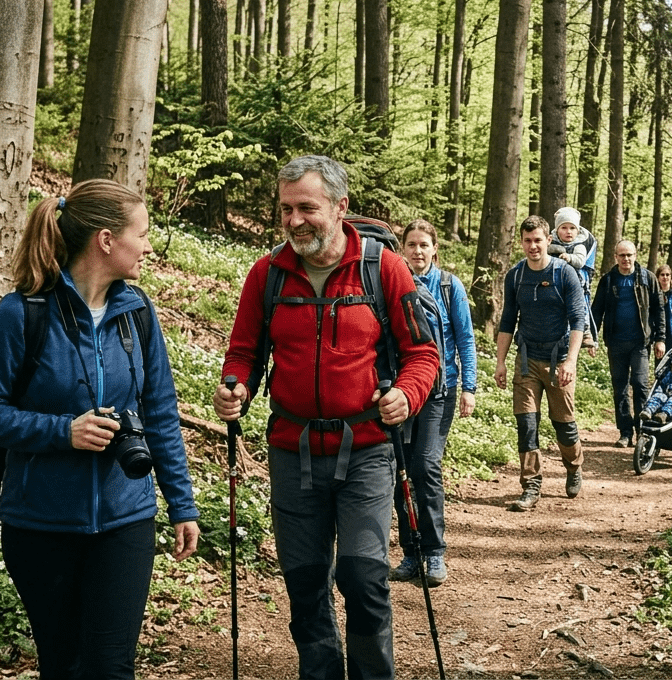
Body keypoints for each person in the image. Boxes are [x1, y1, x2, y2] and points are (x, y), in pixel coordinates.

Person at [0, 180, 201, 680]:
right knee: (64, 665)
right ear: (107, 240)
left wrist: (182, 505)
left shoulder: (138, 313)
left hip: (125, 520)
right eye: (143, 233)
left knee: (111, 667)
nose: (149, 245)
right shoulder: (20, 314)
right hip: (39, 525)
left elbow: (159, 412)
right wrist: (62, 432)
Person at [214, 156, 440, 680]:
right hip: (292, 450)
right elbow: (243, 352)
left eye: (307, 208)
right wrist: (236, 387)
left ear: (340, 208)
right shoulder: (268, 273)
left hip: (366, 448)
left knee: (364, 577)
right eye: (286, 209)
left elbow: (423, 354)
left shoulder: (383, 269)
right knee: (305, 582)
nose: (294, 220)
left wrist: (407, 394)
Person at [388, 219, 477, 588]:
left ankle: (435, 552)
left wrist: (469, 386)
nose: (418, 251)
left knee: (425, 466)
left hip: (441, 390)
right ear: (403, 248)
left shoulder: (448, 286)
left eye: (424, 245)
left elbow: (465, 338)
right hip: (404, 391)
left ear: (434, 249)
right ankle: (411, 552)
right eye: (411, 244)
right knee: (399, 469)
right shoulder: (394, 282)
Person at [494, 215, 590, 510]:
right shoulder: (516, 276)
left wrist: (571, 361)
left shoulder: (565, 274)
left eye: (538, 240)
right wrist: (500, 361)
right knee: (527, 424)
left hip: (559, 360)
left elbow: (578, 320)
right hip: (526, 360)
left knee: (564, 425)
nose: (533, 246)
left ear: (549, 240)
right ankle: (531, 485)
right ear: (521, 242)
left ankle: (574, 467)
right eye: (527, 241)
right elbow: (508, 321)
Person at [591, 241, 667, 448]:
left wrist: (660, 338)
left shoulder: (648, 278)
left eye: (629, 255)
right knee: (620, 388)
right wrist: (592, 338)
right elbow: (596, 311)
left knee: (640, 385)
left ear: (635, 255)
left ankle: (642, 430)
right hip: (615, 342)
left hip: (640, 343)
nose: (626, 259)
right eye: (622, 255)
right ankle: (625, 432)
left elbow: (659, 310)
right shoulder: (608, 281)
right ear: (615, 256)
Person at [548, 206, 599, 346]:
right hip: (556, 282)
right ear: (557, 230)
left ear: (577, 230)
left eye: (572, 228)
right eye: (564, 227)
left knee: (581, 305)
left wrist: (569, 257)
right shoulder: (551, 243)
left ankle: (586, 332)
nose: (568, 231)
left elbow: (580, 261)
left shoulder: (579, 246)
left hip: (576, 283)